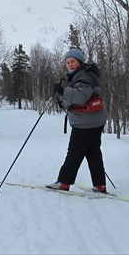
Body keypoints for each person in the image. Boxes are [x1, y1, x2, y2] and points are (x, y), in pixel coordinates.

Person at [47, 48, 108, 193]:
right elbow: (80, 100)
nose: (70, 64)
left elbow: (81, 96)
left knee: (74, 152)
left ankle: (63, 182)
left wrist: (62, 91)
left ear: (79, 61)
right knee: (93, 152)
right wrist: (63, 102)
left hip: (85, 122)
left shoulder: (83, 76)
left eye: (73, 61)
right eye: (67, 62)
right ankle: (100, 185)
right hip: (94, 120)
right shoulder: (83, 74)